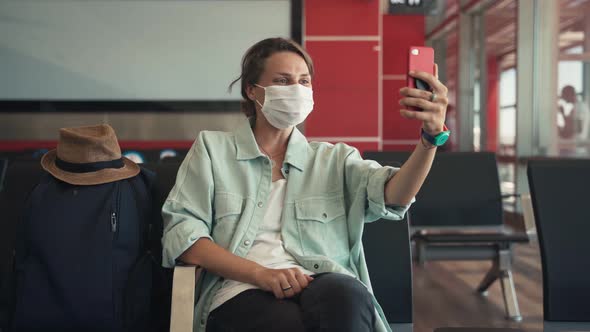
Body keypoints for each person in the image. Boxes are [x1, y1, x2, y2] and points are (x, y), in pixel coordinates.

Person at [161, 38, 449, 332]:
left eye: (304, 81)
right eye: (283, 81)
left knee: (349, 297)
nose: (296, 90)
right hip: (240, 288)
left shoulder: (334, 159)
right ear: (252, 90)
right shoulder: (212, 150)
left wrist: (430, 139)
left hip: (323, 282)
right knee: (284, 323)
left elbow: (393, 195)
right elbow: (185, 237)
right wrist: (261, 274)